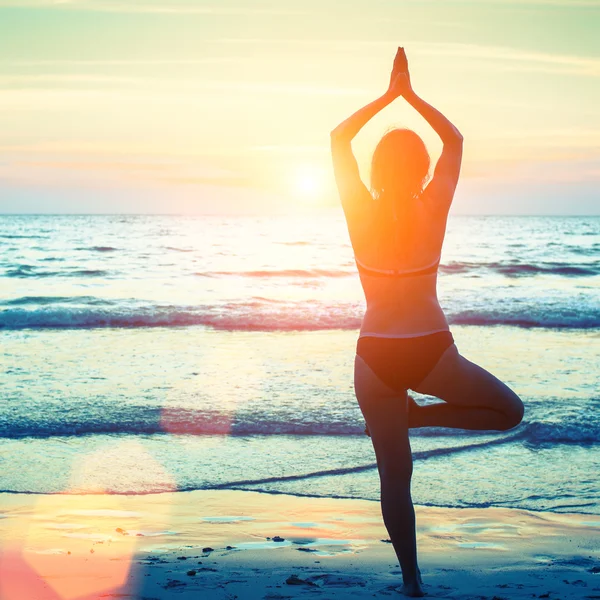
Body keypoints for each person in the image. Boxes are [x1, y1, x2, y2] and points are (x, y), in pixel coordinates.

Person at [330, 47, 525, 597]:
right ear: (419, 168)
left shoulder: (357, 208)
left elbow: (337, 140)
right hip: (430, 350)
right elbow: (456, 143)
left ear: (375, 169)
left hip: (373, 357)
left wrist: (386, 97)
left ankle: (412, 583)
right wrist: (410, 98)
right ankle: (413, 420)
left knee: (396, 477)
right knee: (508, 412)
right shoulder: (432, 205)